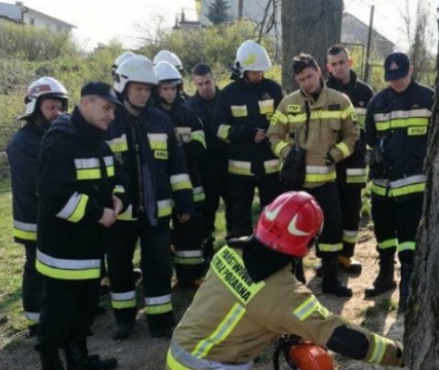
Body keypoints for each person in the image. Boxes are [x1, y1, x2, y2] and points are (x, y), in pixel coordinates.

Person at [167, 191, 405, 370]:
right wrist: (399, 353)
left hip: (180, 350)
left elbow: (242, 306)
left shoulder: (230, 250)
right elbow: (346, 339)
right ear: (308, 243)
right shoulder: (284, 296)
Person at [34, 82, 125, 370]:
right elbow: (55, 197)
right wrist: (100, 213)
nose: (112, 115)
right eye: (107, 108)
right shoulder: (60, 141)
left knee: (84, 309)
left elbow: (117, 175)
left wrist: (118, 196)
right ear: (86, 104)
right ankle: (50, 362)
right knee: (57, 313)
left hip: (89, 248)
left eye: (113, 109)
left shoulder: (100, 141)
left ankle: (78, 358)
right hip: (63, 251)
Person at [106, 55, 195, 339]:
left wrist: (184, 201)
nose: (144, 94)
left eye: (147, 89)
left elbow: (177, 166)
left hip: (157, 211)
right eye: (138, 89)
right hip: (121, 213)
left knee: (158, 265)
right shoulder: (109, 122)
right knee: (119, 266)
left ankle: (161, 321)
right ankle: (124, 319)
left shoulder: (161, 121)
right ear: (123, 86)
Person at [268, 53, 360, 297]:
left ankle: (329, 279)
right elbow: (273, 135)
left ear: (319, 71)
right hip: (296, 184)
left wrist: (336, 154)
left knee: (333, 227)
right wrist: (287, 152)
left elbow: (353, 135)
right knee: (292, 231)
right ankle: (296, 278)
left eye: (309, 76)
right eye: (301, 79)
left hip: (326, 181)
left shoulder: (341, 101)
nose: (307, 82)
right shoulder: (288, 103)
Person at [364, 52, 434, 312]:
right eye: (392, 79)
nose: (397, 83)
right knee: (383, 234)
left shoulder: (428, 98)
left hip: (413, 184)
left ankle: (408, 283)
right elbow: (369, 137)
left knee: (408, 237)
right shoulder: (377, 102)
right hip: (383, 184)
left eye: (401, 77)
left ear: (412, 70)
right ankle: (385, 276)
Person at [7, 77, 69, 336]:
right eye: (51, 107)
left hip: (55, 216)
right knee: (35, 268)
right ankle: (35, 321)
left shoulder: (53, 136)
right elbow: (38, 185)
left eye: (60, 107)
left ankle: (57, 313)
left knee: (57, 266)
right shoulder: (23, 143)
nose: (57, 113)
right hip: (32, 220)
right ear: (35, 108)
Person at [213, 40, 284, 238]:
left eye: (261, 71)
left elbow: (285, 121)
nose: (259, 76)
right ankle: (241, 258)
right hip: (240, 171)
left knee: (272, 217)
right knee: (239, 217)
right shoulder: (229, 94)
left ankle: (270, 257)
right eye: (254, 72)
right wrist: (246, 132)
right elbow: (219, 130)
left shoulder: (274, 89)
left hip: (270, 168)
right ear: (242, 71)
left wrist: (274, 133)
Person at [153, 61, 208, 288]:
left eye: (173, 88)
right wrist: (179, 145)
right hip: (161, 184)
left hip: (190, 182)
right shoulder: (150, 117)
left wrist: (176, 148)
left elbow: (201, 145)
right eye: (164, 89)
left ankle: (190, 276)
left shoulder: (188, 114)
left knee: (190, 233)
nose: (169, 93)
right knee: (161, 233)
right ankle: (161, 277)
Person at [325, 44, 375, 274]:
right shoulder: (322, 92)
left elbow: (369, 131)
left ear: (350, 62)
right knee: (329, 213)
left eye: (342, 62)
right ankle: (328, 259)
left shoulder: (365, 93)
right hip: (328, 164)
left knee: (351, 212)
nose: (339, 68)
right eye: (334, 64)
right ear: (328, 67)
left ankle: (346, 256)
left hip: (354, 163)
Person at [187, 63, 231, 256]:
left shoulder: (228, 99)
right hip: (206, 170)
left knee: (235, 210)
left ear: (214, 79)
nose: (205, 87)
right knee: (207, 213)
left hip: (231, 166)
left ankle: (235, 248)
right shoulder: (189, 107)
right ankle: (207, 250)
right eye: (200, 84)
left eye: (207, 82)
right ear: (195, 84)